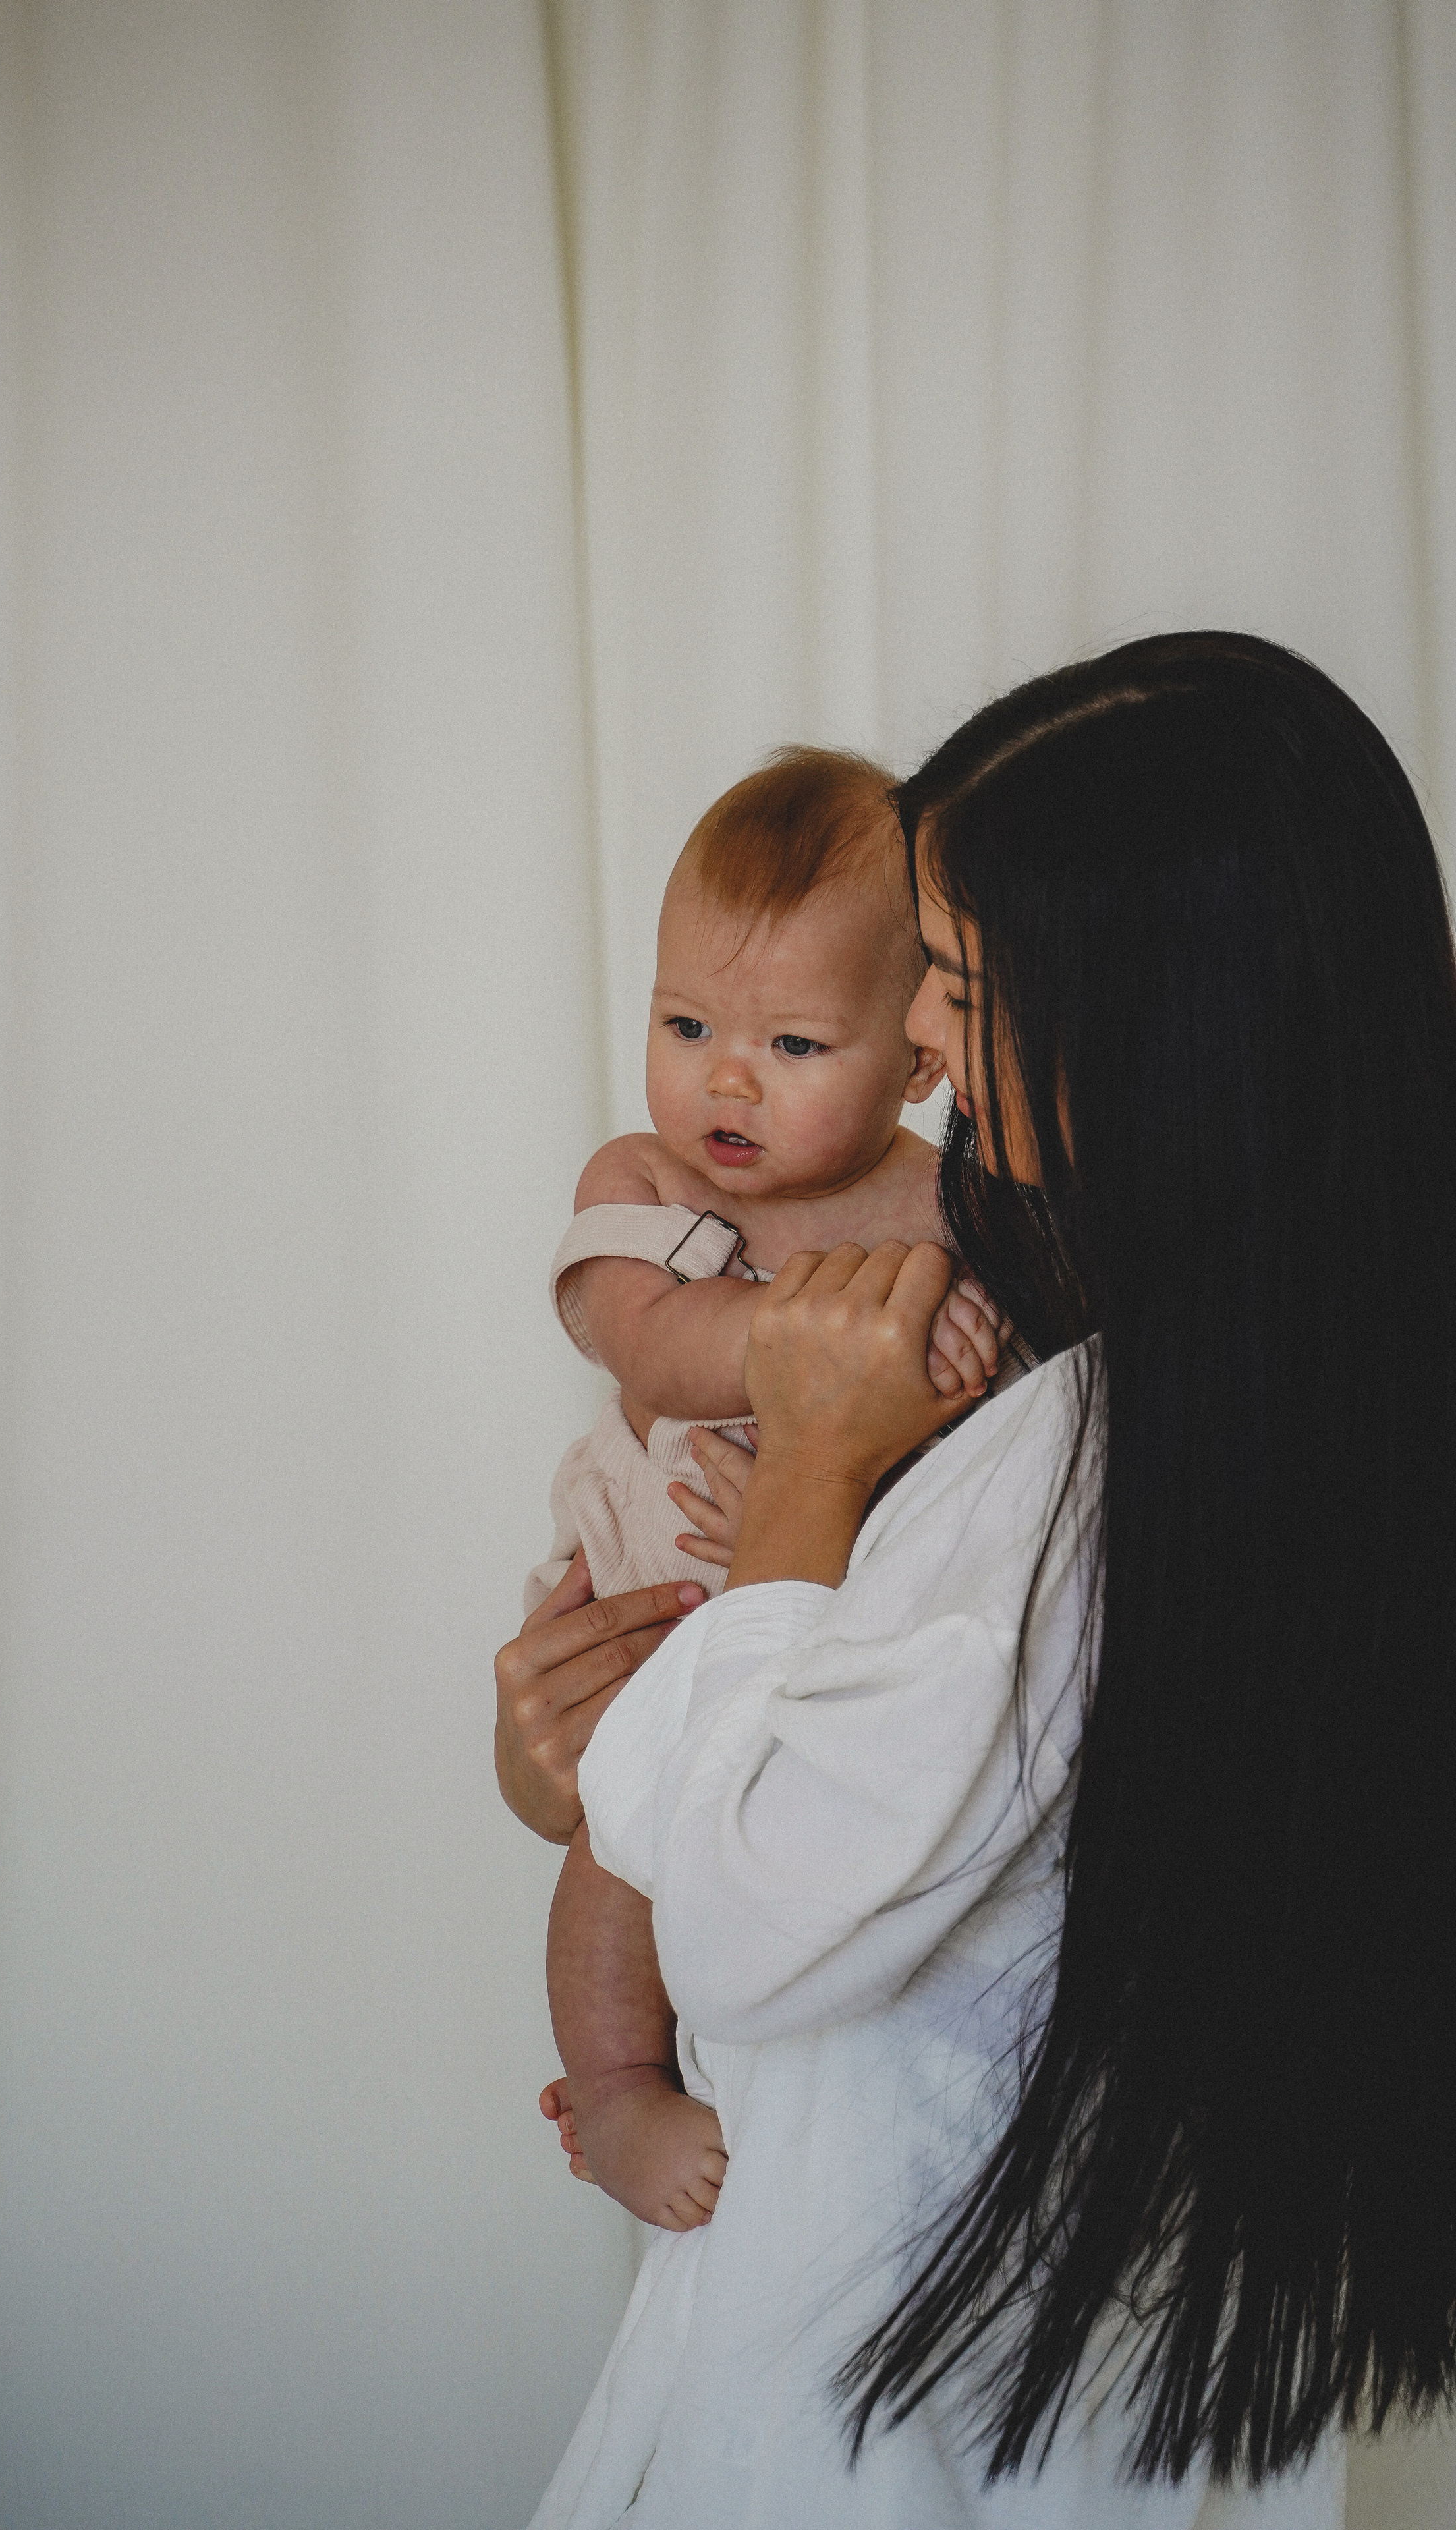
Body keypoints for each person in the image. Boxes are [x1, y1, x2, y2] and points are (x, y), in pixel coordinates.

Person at [495, 631, 1456, 2526]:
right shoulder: (1300, 1426)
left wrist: (815, 1473)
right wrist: (580, 1765)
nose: (921, 1042)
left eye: (954, 981)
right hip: (1044, 2385)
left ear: (1159, 1019)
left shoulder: (1078, 1467)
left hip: (889, 2407)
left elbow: (754, 1924)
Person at [528, 750, 1018, 2233]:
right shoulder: (652, 1182)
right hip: (657, 1596)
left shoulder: (950, 1202)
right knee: (623, 1846)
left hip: (829, 1590)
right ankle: (613, 2084)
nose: (723, 1078)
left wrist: (963, 1349)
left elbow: (976, 1432)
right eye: (686, 1024)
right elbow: (656, 1347)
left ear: (917, 1059)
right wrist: (839, 1339)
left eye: (794, 1044)